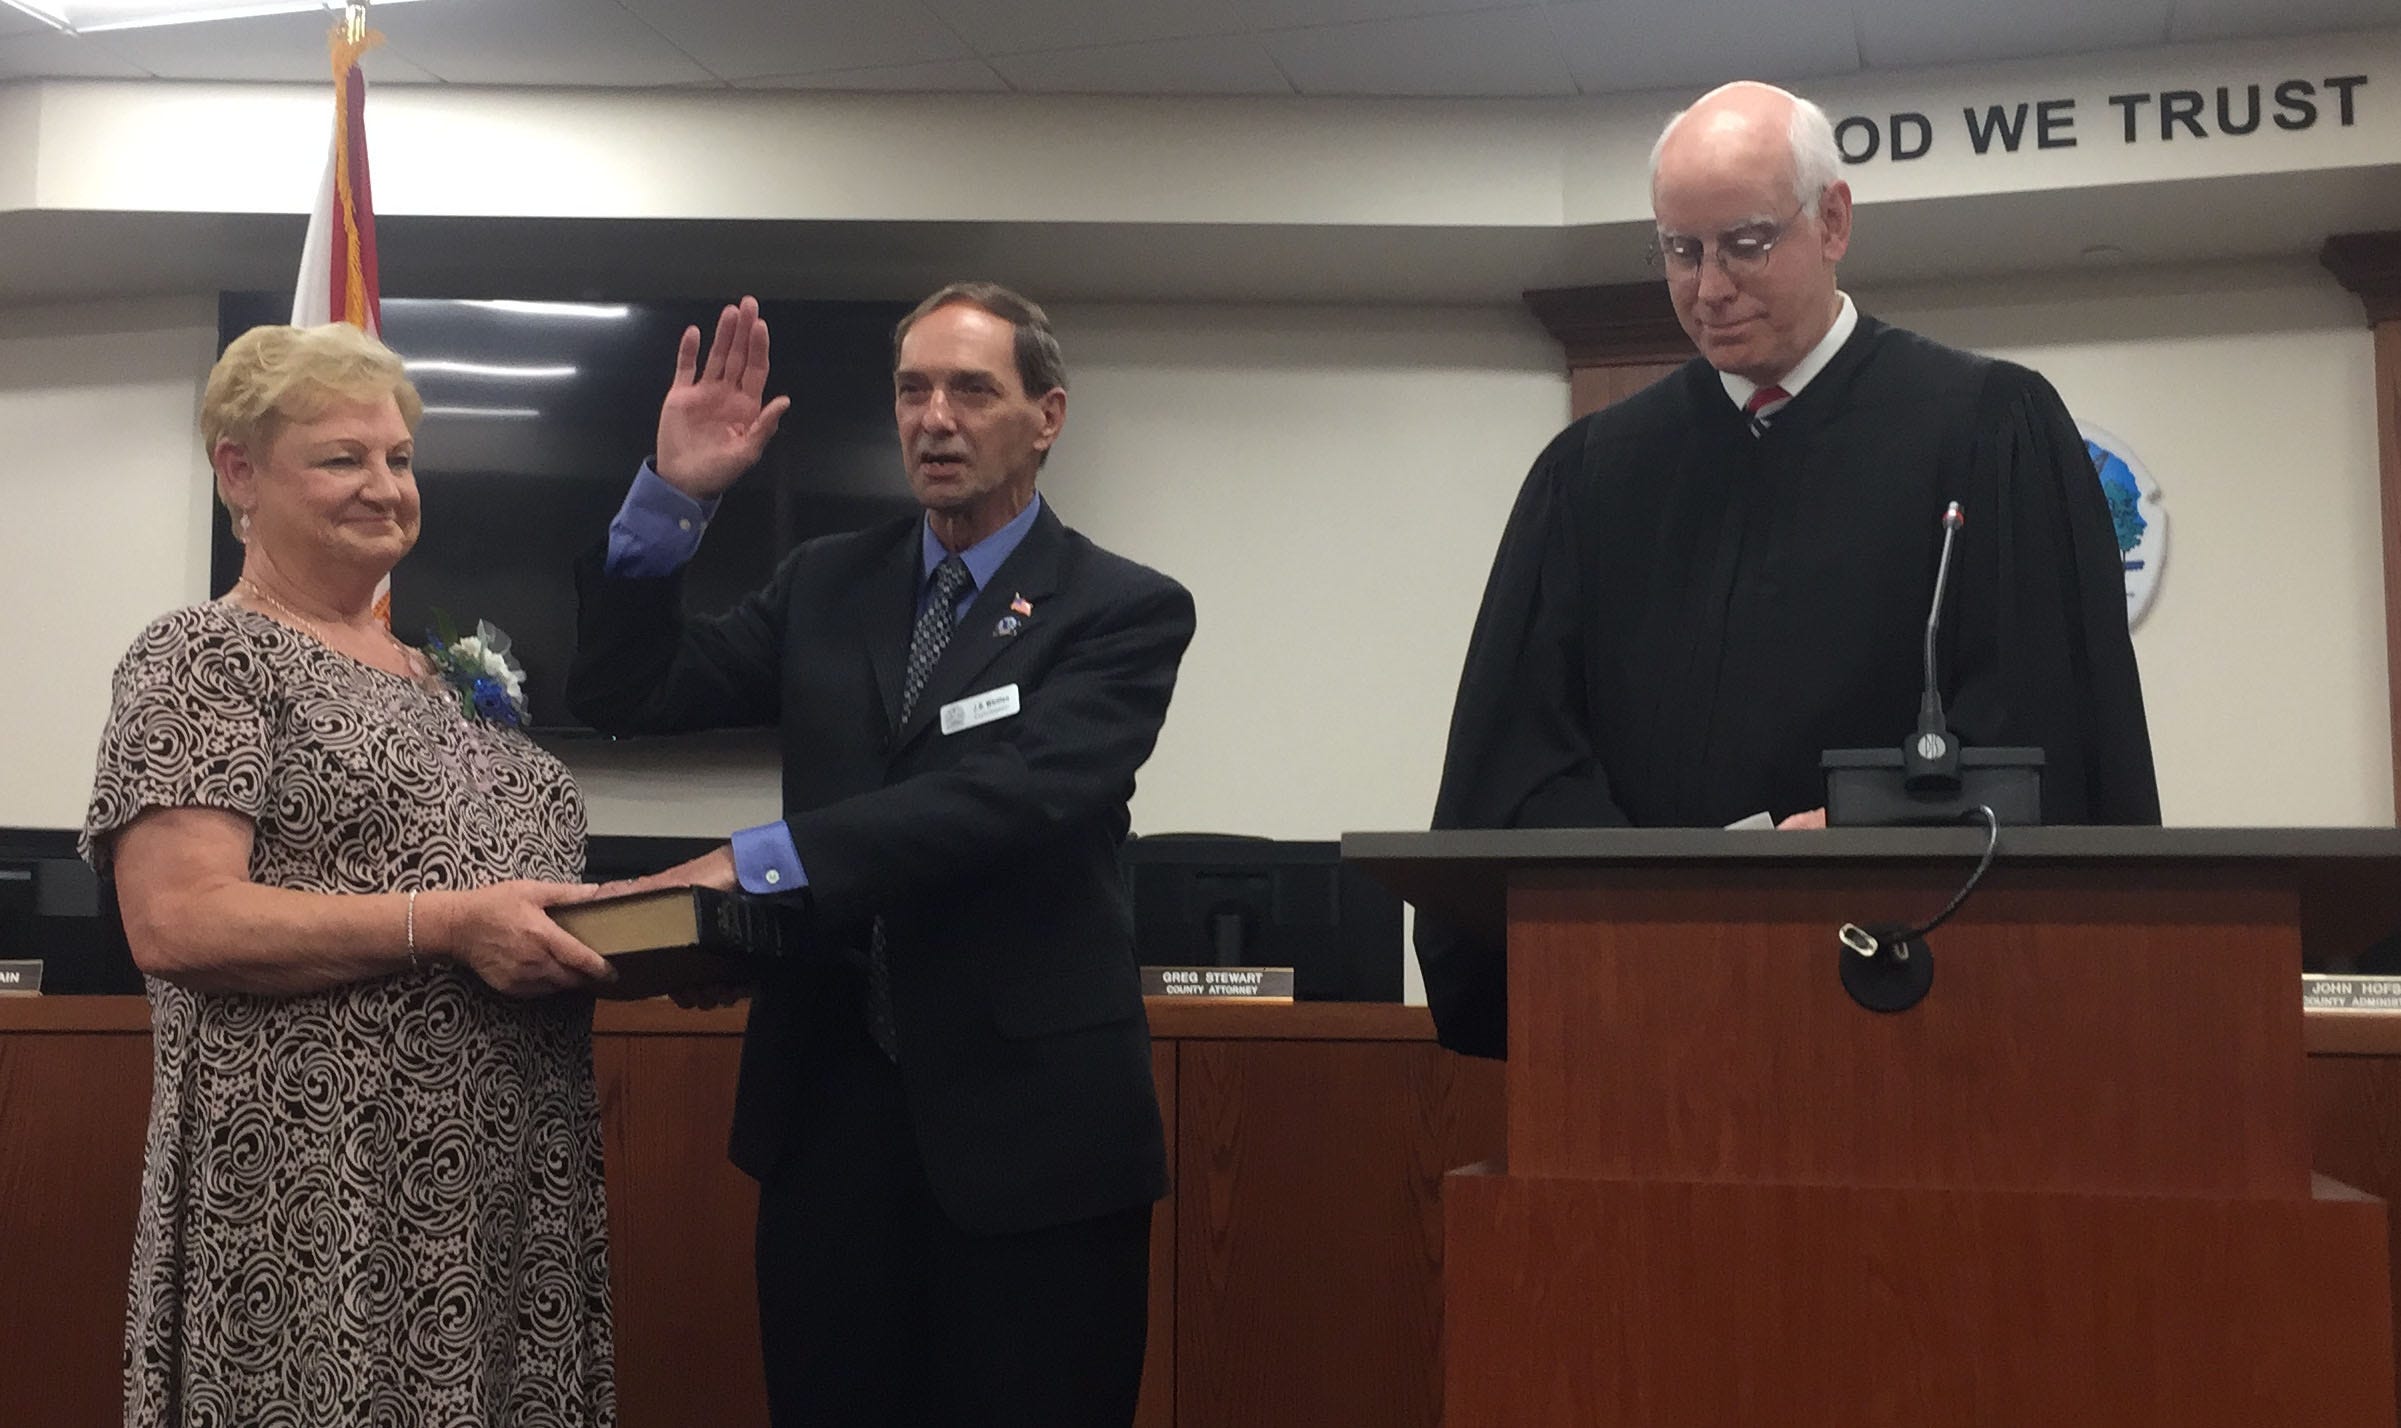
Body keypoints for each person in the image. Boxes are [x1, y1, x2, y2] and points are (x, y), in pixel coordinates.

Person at [1419, 80, 2161, 1058]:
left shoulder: (1985, 428)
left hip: (1924, 1008)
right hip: (1660, 1016)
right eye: (1680, 251)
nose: (1708, 286)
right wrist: (1667, 894)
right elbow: (1520, 763)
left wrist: (1870, 831)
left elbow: (2046, 733)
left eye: (1746, 243)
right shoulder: (1594, 475)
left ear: (1833, 221)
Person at [567, 284, 1195, 1426]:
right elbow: (627, 690)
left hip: (1035, 1142)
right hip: (831, 1125)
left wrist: (755, 859)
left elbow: (1012, 796)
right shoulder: (824, 582)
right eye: (913, 390)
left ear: (1046, 415)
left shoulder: (1121, 610)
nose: (934, 418)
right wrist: (672, 505)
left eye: (971, 390)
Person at [82, 322, 620, 1425]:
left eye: (400, 460)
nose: (386, 488)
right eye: (342, 459)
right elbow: (178, 921)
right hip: (318, 1194)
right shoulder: (204, 655)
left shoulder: (445, 676)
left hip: (504, 1188)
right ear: (240, 471)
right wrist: (452, 924)